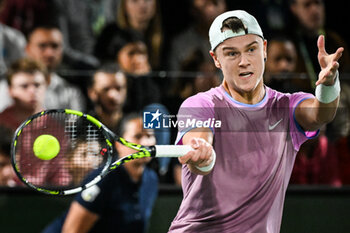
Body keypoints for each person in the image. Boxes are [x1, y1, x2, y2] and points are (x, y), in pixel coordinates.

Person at [168, 10, 343, 232]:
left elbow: (321, 114)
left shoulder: (287, 107)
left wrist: (329, 85)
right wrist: (202, 155)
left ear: (264, 49)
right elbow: (200, 143)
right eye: (231, 54)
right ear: (216, 59)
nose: (244, 62)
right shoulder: (201, 105)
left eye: (251, 49)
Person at [42, 113, 159, 233]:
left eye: (149, 136)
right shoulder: (102, 179)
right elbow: (71, 231)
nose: (146, 143)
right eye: (138, 136)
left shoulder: (152, 180)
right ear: (119, 145)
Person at [288, 0, 350, 91]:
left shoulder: (336, 41)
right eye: (307, 5)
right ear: (294, 9)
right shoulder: (288, 45)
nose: (314, 10)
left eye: (317, 3)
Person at [25, 24, 86, 111]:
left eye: (55, 46)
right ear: (28, 49)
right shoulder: (6, 89)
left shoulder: (72, 92)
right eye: (42, 46)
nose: (49, 53)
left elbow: (75, 123)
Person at [167, 0, 227, 71]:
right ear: (193, 10)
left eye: (215, 2)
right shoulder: (180, 44)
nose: (211, 8)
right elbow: (175, 78)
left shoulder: (235, 38)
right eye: (205, 3)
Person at [0, 57, 49, 131]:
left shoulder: (57, 125)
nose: (32, 91)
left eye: (37, 85)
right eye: (24, 86)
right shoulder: (2, 122)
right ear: (10, 90)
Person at [115, 0, 164, 70]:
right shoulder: (112, 38)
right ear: (124, 5)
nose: (142, 5)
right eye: (135, 0)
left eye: (147, 0)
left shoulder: (165, 40)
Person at [87, 64, 128, 130]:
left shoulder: (136, 124)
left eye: (119, 88)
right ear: (92, 92)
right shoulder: (82, 125)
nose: (113, 95)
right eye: (106, 89)